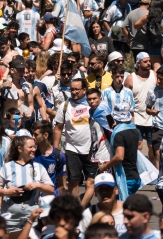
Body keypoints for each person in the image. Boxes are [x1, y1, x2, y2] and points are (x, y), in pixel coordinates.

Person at [0, 136, 54, 232]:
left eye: (34, 147)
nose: (34, 149)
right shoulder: (7, 167)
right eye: (30, 147)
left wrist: (39, 185)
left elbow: (51, 190)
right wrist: (8, 192)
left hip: (32, 213)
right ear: (20, 149)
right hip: (10, 215)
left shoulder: (39, 167)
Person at [53, 78, 95, 207]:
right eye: (72, 89)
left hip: (91, 150)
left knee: (91, 182)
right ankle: (74, 210)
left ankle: (81, 208)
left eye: (77, 89)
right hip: (72, 150)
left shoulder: (91, 104)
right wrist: (56, 149)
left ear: (84, 90)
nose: (74, 92)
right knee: (73, 181)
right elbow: (58, 128)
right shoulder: (65, 106)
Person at [98, 103, 142, 197]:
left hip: (126, 178)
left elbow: (119, 156)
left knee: (119, 207)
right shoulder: (134, 130)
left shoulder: (119, 133)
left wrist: (105, 166)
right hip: (134, 176)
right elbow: (138, 147)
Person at [125, 53, 157, 166]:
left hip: (152, 117)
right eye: (145, 61)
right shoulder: (130, 79)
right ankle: (138, 169)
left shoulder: (155, 76)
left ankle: (154, 171)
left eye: (149, 61)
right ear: (138, 63)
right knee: (138, 144)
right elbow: (125, 98)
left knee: (152, 146)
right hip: (137, 117)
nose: (149, 63)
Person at [31, 120, 67, 193]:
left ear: (45, 135)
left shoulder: (59, 156)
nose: (32, 137)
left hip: (50, 198)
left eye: (36, 135)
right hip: (33, 199)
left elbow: (62, 185)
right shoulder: (31, 154)